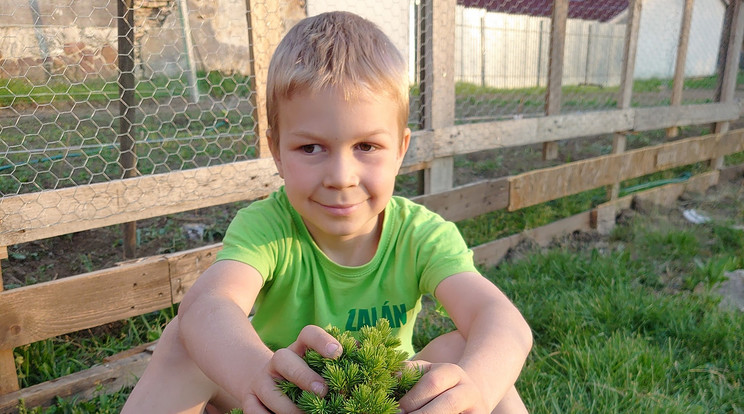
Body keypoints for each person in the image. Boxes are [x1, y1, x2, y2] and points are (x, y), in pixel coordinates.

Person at [122, 10, 532, 414]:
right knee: (184, 339)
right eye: (310, 148)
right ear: (276, 152)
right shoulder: (268, 227)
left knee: (466, 353)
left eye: (366, 147)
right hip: (281, 401)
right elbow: (208, 304)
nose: (341, 177)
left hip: (382, 402)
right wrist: (254, 375)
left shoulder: (422, 234)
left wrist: (478, 384)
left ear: (401, 150)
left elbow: (501, 318)